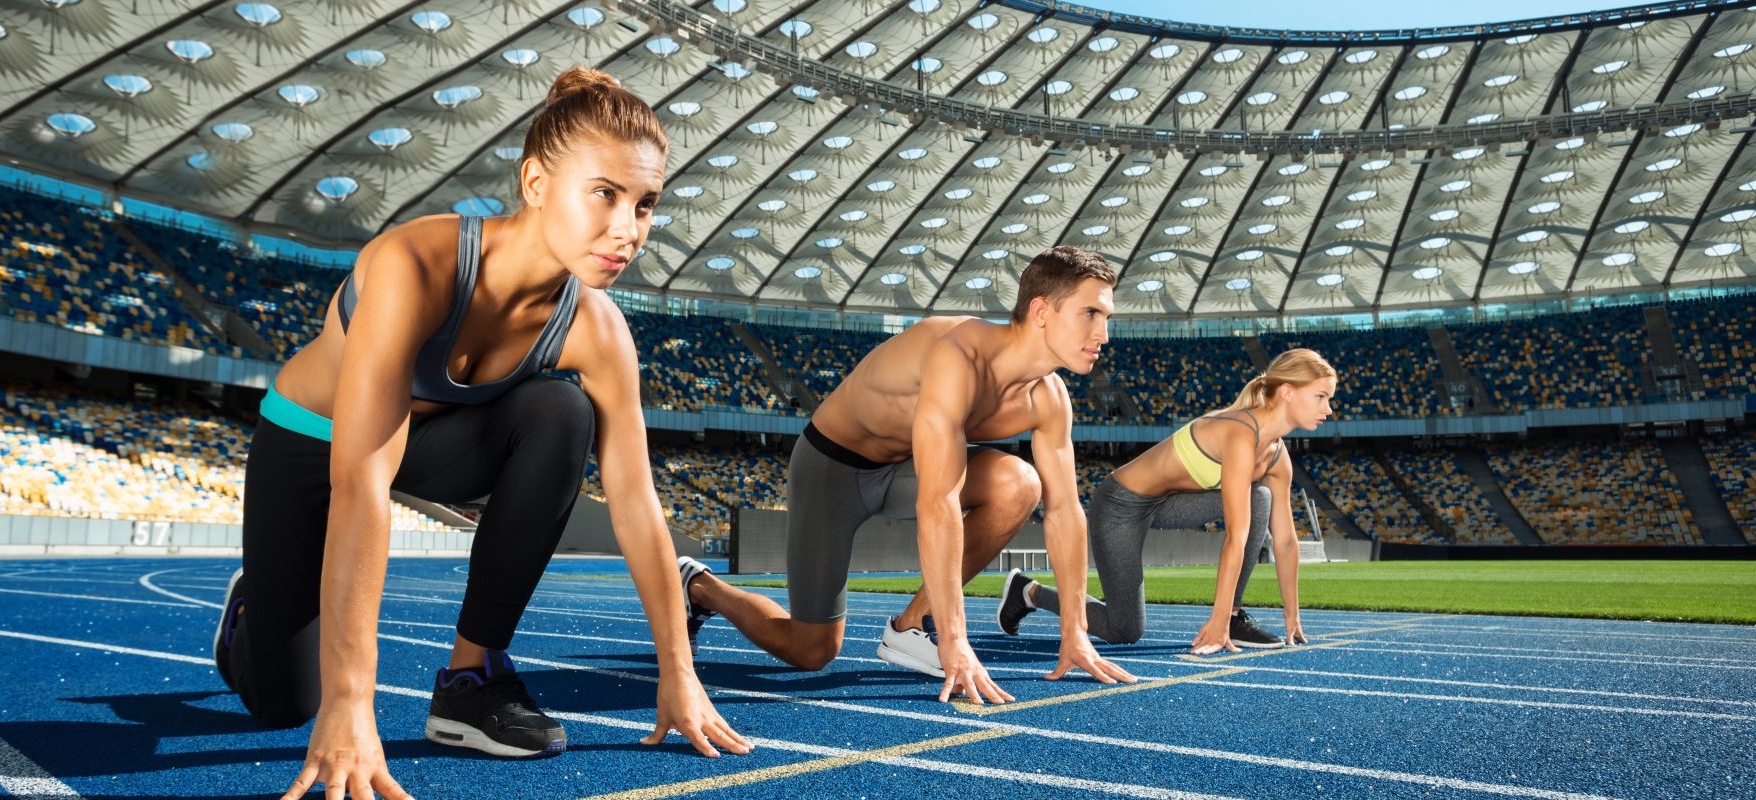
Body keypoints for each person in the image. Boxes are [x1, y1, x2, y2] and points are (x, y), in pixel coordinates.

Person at [211, 67, 750, 800]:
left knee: (561, 412)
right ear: (535, 183)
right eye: (605, 194)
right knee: (287, 704)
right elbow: (361, 480)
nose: (628, 230)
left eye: (645, 205)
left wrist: (679, 674)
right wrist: (352, 701)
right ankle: (257, 608)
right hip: (313, 443)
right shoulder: (416, 265)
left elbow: (636, 502)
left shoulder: (597, 330)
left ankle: (471, 678)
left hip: (437, 447)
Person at [678, 246, 1137, 705]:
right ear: (1040, 310)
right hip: (833, 468)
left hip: (907, 470)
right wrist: (956, 641)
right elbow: (939, 503)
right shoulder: (958, 354)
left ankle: (911, 626)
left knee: (1021, 483)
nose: (1104, 334)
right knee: (811, 650)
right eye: (1090, 313)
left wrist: (1074, 631)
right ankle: (701, 587)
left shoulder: (1050, 398)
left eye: (1108, 317)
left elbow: (1065, 511)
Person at [995, 348, 1336, 654]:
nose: (1328, 409)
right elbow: (1237, 536)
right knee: (1124, 629)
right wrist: (1212, 623)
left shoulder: (1278, 458)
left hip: (1169, 504)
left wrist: (1292, 617)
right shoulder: (1240, 434)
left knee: (1259, 495)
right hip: (1121, 505)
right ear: (1288, 392)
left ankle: (1233, 616)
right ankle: (1029, 591)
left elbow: (1288, 542)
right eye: (1321, 397)